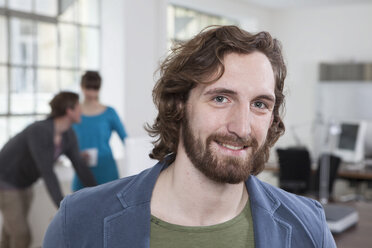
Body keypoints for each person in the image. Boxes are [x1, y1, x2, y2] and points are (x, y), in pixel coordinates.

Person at [44, 26, 336, 247]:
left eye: (260, 104)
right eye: (221, 98)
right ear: (180, 104)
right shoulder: (79, 222)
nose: (242, 127)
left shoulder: (310, 229)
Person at [0, 91, 97, 248]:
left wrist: (100, 193)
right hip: (6, 182)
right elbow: (48, 173)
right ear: (69, 110)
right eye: (78, 107)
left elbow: (80, 166)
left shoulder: (68, 135)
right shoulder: (39, 130)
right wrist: (63, 208)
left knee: (9, 231)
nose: (81, 110)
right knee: (21, 235)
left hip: (25, 183)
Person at [71, 71, 127, 191]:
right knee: (79, 207)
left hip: (106, 170)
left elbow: (126, 141)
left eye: (95, 88)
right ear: (81, 87)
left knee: (110, 207)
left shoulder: (110, 112)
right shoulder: (73, 113)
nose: (91, 93)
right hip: (82, 169)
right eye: (88, 88)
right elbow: (64, 141)